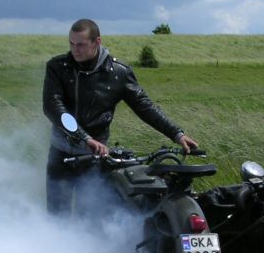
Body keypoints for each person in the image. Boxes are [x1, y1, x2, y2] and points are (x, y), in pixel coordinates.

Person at [42, 18, 198, 216]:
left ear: (97, 42)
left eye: (80, 44)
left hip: (95, 159)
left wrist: (177, 133)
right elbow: (54, 107)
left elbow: (144, 106)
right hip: (61, 154)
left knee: (89, 218)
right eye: (71, 44)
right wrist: (84, 138)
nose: (75, 50)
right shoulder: (58, 67)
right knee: (58, 216)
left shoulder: (118, 72)